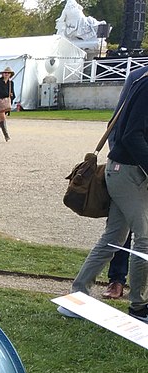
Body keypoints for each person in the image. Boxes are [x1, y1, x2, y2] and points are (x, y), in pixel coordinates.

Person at [63, 74, 148, 321]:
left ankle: (77, 296)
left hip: (130, 171)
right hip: (128, 172)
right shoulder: (145, 83)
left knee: (114, 237)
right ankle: (139, 306)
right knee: (144, 239)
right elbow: (130, 135)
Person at [0, 67, 16, 141]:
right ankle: (6, 135)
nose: (6, 74)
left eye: (8, 73)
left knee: (0, 119)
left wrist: (10, 100)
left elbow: (13, 94)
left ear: (10, 74)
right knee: (3, 118)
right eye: (5, 73)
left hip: (6, 103)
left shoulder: (11, 83)